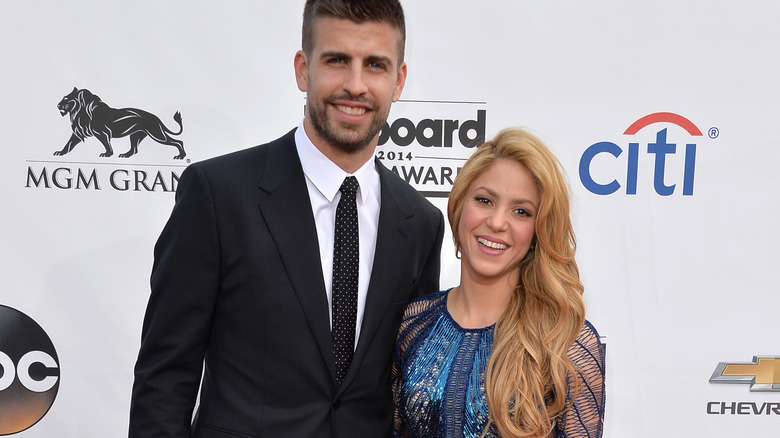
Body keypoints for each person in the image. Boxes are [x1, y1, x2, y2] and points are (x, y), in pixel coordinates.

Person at [129, 1, 444, 437]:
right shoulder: (218, 195)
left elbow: (412, 381)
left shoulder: (421, 222)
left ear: (398, 81)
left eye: (375, 65)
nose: (355, 85)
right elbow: (164, 377)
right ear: (303, 69)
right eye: (337, 60)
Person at [392, 128, 605, 438]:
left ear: (538, 231)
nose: (496, 222)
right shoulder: (412, 324)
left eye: (521, 211)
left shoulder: (566, 344)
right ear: (460, 204)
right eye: (484, 200)